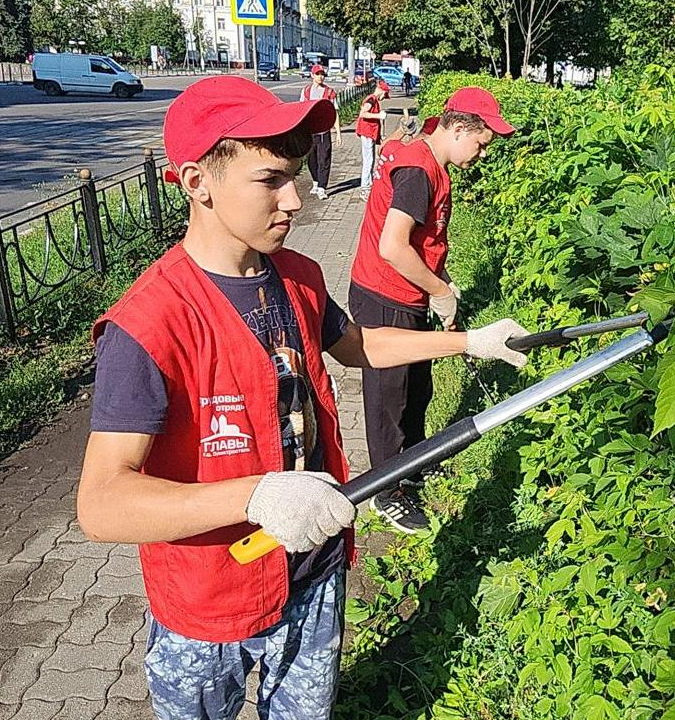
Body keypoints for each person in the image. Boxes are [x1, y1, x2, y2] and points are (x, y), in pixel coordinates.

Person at [76, 76, 528, 720]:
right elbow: (101, 504)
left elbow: (359, 346)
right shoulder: (149, 324)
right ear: (195, 181)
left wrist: (469, 343)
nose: (296, 198)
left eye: (296, 175)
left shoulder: (298, 275)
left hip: (313, 571)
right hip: (211, 600)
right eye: (270, 180)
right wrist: (254, 495)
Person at [349, 87, 515, 533]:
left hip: (408, 295)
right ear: (459, 129)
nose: (481, 154)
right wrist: (440, 289)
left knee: (417, 389)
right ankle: (385, 493)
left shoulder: (429, 155)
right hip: (384, 297)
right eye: (480, 144)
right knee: (389, 399)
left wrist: (435, 286)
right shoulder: (419, 172)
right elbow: (392, 247)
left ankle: (414, 463)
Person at [299, 64, 341, 200]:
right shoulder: (306, 91)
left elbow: (334, 112)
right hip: (309, 131)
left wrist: (338, 132)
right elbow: (301, 109)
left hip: (324, 131)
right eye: (318, 74)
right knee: (311, 160)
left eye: (322, 74)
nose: (321, 77)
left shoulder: (329, 92)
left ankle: (323, 187)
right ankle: (316, 182)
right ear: (312, 75)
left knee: (324, 159)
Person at [355, 79, 390, 201]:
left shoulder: (374, 101)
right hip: (367, 133)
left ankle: (368, 185)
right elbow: (363, 114)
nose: (384, 98)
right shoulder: (371, 99)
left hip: (371, 134)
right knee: (368, 161)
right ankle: (365, 188)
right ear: (381, 91)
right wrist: (378, 115)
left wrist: (380, 136)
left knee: (371, 160)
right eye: (385, 95)